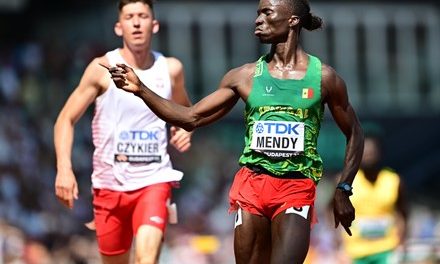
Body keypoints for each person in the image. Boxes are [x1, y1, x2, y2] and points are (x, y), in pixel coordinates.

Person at [104, 0, 364, 262]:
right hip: (251, 186)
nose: (258, 20)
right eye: (257, 13)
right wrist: (141, 90)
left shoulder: (324, 79)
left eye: (267, 12)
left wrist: (343, 189)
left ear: (293, 20)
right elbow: (190, 118)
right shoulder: (244, 77)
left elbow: (354, 132)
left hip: (295, 186)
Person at [53, 0, 193, 263]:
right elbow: (65, 119)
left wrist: (186, 129)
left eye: (142, 16)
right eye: (129, 17)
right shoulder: (101, 69)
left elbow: (186, 112)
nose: (137, 22)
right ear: (119, 27)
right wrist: (64, 168)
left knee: (146, 259)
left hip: (154, 180)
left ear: (155, 25)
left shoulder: (171, 69)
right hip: (109, 186)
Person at [340, 132, 409, 264]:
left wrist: (401, 243)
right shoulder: (346, 181)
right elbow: (332, 212)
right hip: (354, 252)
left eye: (372, 152)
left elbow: (403, 213)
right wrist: (338, 246)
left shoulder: (394, 180)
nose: (368, 156)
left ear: (380, 154)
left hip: (387, 249)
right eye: (364, 152)